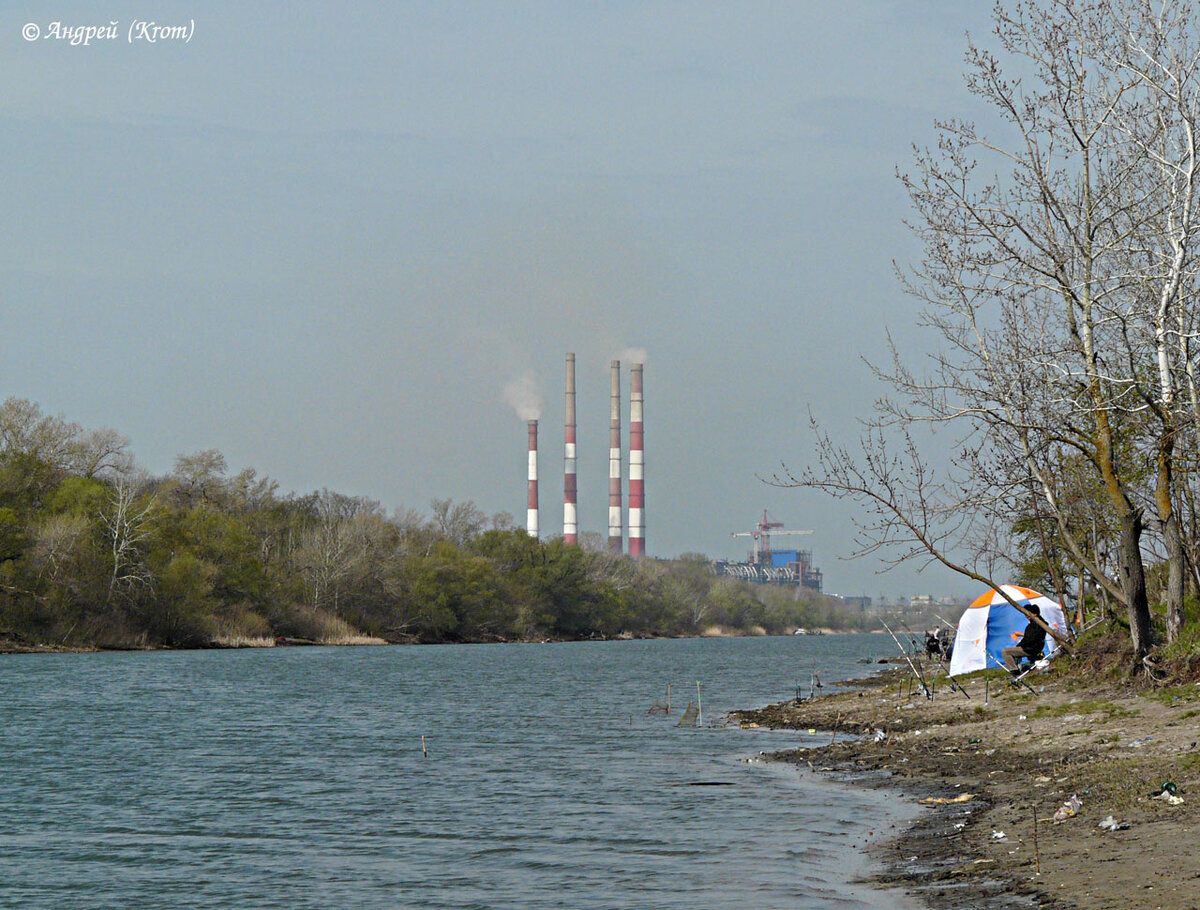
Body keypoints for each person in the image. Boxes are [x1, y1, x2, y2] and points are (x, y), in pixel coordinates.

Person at [1002, 604, 1047, 675]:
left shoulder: (1033, 626)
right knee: (1015, 649)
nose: (1027, 616)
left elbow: (1029, 639)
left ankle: (1015, 671)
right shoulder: (1041, 624)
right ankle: (1019, 668)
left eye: (1028, 614)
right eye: (1025, 615)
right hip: (1035, 647)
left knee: (1005, 651)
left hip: (1030, 649)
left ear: (1035, 614)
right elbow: (1030, 637)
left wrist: (1018, 646)